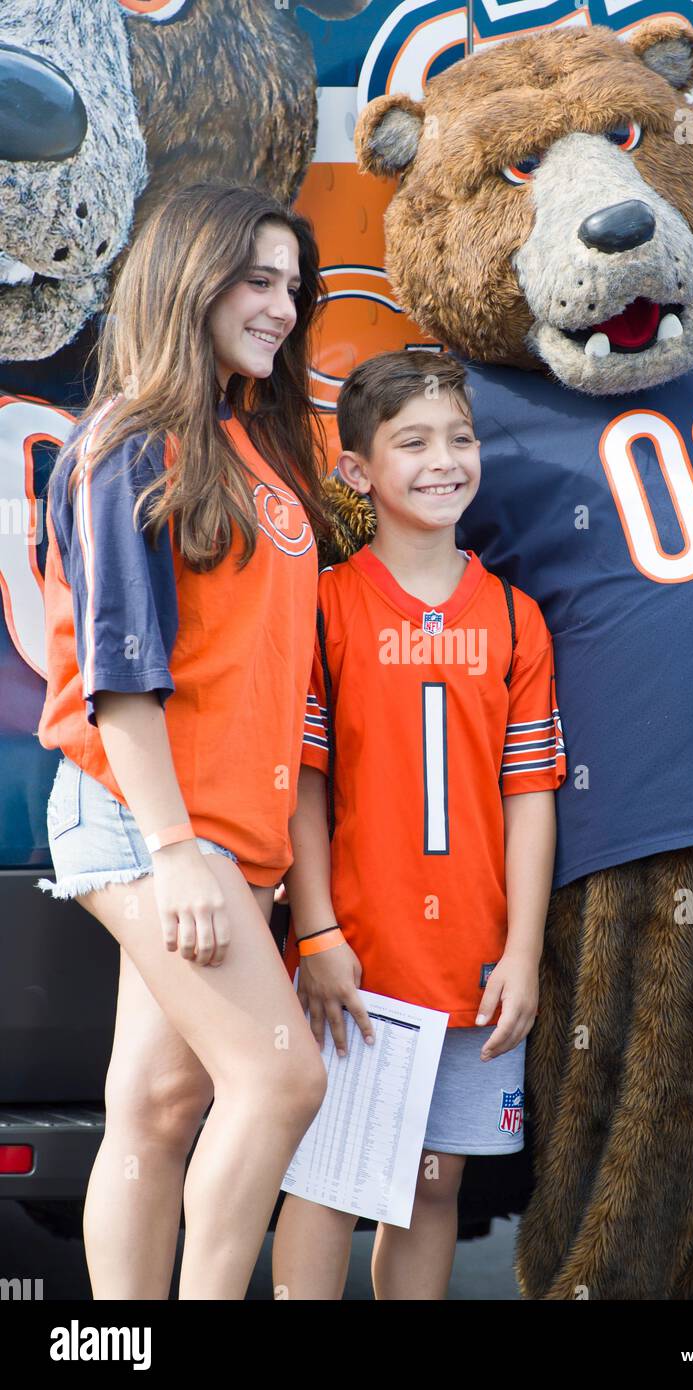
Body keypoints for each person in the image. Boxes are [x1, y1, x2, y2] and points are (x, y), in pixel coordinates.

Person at [35, 182, 330, 1300]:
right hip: (147, 814)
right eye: (255, 280)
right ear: (189, 277)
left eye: (292, 285)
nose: (282, 306)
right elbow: (121, 675)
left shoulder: (246, 441)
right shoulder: (130, 445)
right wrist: (176, 852)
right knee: (278, 1083)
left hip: (224, 827)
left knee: (159, 1108)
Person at [271, 349, 566, 1299]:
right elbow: (303, 791)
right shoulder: (325, 607)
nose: (445, 460)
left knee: (434, 1188)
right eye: (413, 442)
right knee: (327, 1184)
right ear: (357, 469)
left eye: (461, 437)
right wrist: (316, 932)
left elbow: (530, 796)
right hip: (357, 964)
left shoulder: (517, 619)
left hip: (473, 969)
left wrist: (523, 951)